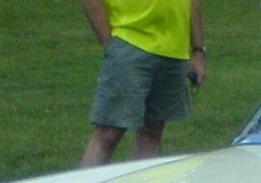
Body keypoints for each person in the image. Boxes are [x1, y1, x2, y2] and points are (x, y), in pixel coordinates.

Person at [79, 0, 207, 167]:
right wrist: (110, 42)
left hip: (173, 49)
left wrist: (198, 50)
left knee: (152, 131)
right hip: (130, 40)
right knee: (109, 132)